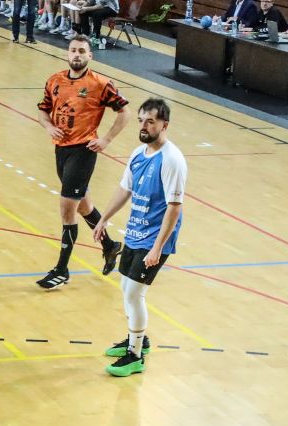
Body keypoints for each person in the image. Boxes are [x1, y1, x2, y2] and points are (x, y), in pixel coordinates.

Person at [92, 98, 187, 378]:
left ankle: (135, 356)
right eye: (141, 121)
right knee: (126, 288)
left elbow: (174, 208)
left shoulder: (172, 160)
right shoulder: (137, 154)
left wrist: (157, 248)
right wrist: (104, 218)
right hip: (135, 232)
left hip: (155, 238)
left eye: (151, 122)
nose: (144, 126)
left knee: (134, 293)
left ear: (164, 125)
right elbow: (125, 189)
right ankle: (138, 339)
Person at [35, 36, 130, 290]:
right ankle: (110, 246)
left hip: (83, 151)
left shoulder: (100, 84)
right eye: (73, 50)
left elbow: (125, 112)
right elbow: (43, 109)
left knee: (68, 208)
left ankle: (62, 269)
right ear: (67, 54)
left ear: (90, 56)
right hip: (61, 151)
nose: (76, 54)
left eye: (81, 51)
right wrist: (48, 126)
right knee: (84, 206)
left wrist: (106, 139)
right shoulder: (54, 81)